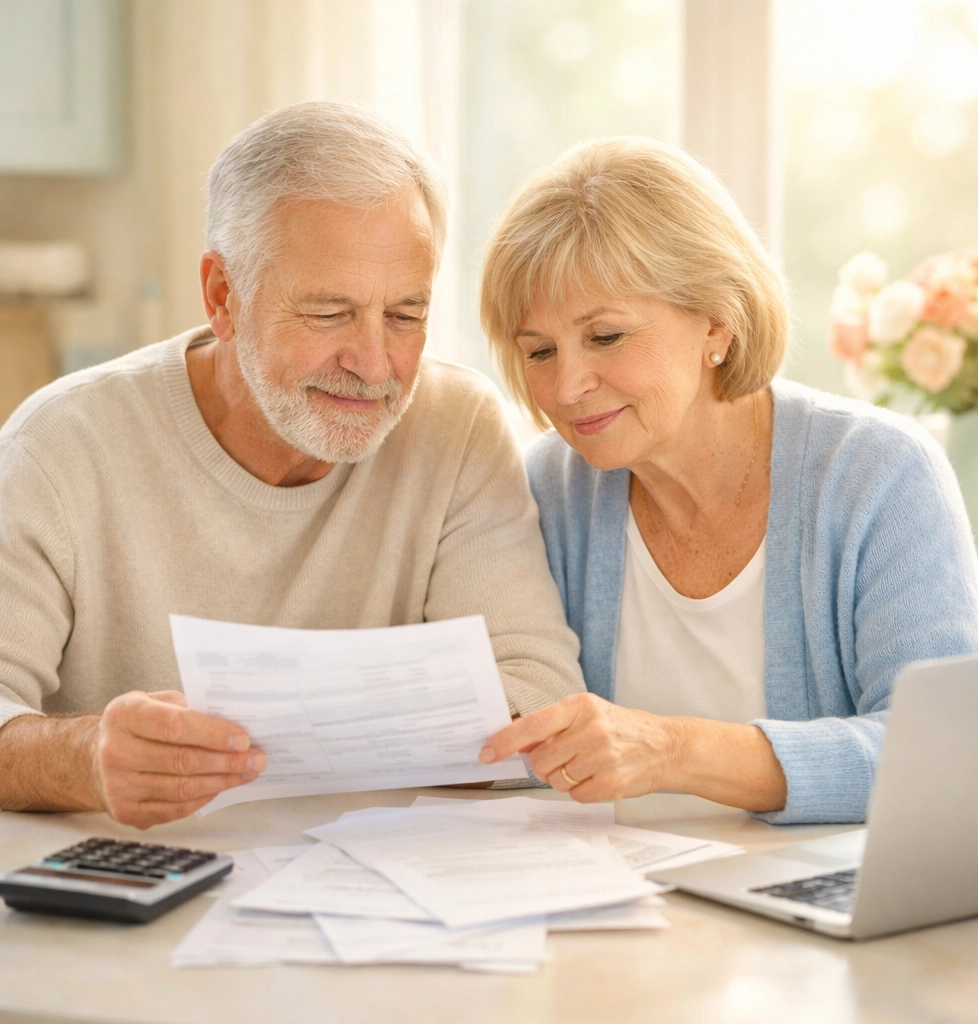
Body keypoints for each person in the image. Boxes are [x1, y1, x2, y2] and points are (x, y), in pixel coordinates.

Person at [0, 101, 584, 828]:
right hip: (135, 892)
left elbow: (541, 703)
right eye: (328, 313)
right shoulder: (60, 445)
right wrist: (84, 756)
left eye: (405, 315)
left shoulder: (457, 427)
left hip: (381, 885)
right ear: (223, 297)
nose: (375, 364)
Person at [476, 136, 978, 824]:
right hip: (620, 902)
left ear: (717, 321)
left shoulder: (878, 474)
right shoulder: (550, 488)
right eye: (539, 351)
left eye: (606, 337)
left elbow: (951, 755)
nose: (567, 386)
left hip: (820, 915)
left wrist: (672, 750)